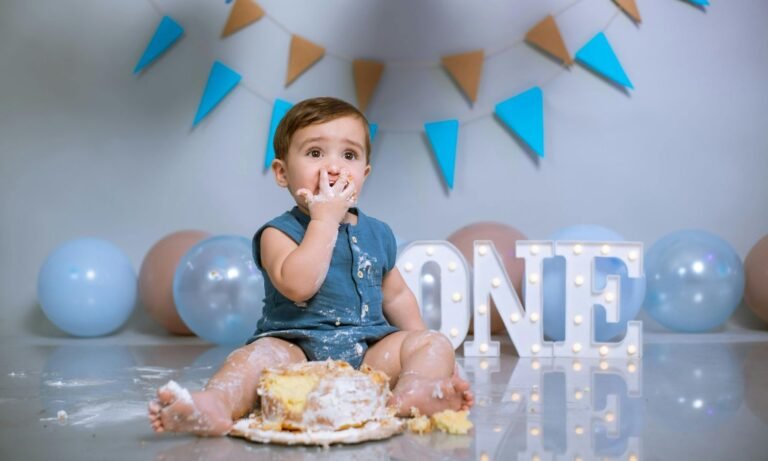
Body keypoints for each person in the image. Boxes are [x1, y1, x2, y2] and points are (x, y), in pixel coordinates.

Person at [148, 96, 474, 436]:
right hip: (296, 350)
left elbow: (396, 297)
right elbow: (299, 286)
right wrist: (324, 220)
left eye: (349, 155)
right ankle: (216, 403)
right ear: (282, 173)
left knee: (434, 343)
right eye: (315, 153)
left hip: (369, 353)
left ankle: (416, 391)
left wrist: (421, 345)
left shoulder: (378, 233)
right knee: (252, 359)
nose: (333, 167)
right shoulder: (278, 233)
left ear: (364, 174)